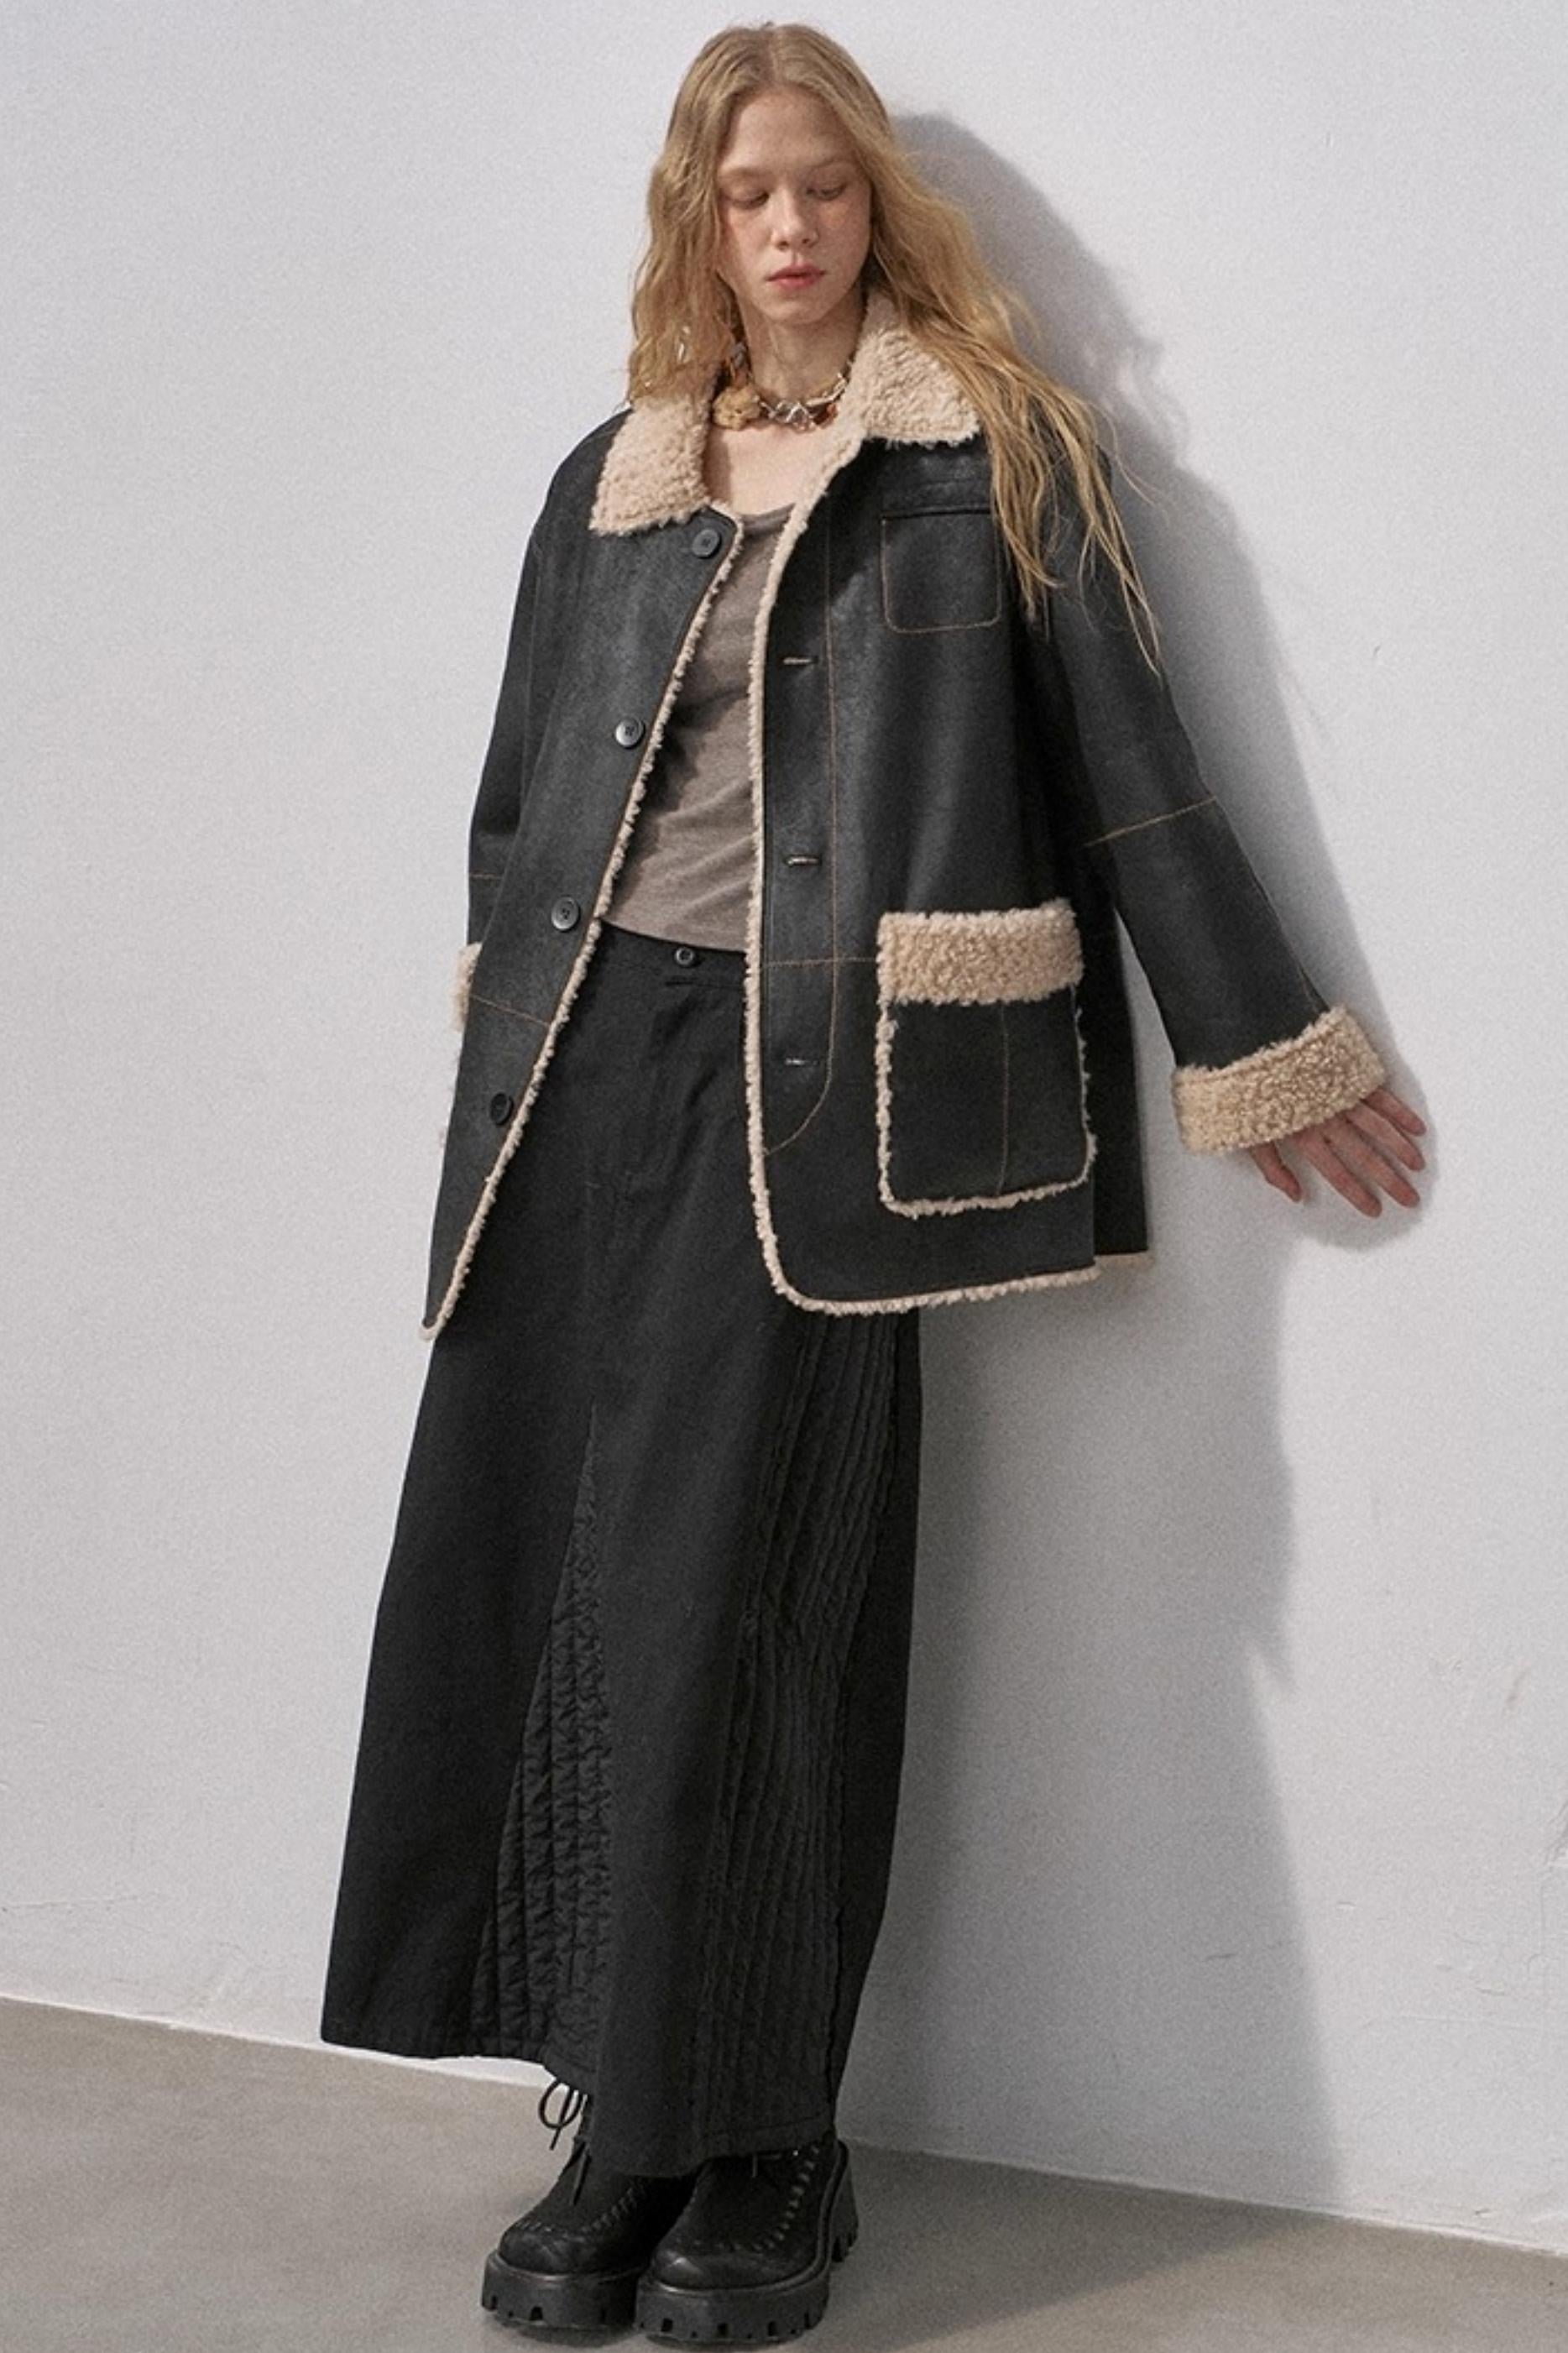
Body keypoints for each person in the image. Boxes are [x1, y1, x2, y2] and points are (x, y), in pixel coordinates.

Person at [317, 20, 1426, 2346]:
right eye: (747, 194)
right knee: (546, 1583)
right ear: (698, 222)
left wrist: (1257, 1043)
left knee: (739, 1608)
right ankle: (622, 2121)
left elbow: (1134, 774)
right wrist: (498, 1060)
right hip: (580, 1081)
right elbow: (518, 809)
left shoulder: (992, 462)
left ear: (876, 205)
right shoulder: (612, 480)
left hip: (824, 1101)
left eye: (823, 184)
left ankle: (751, 2140)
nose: (791, 226)